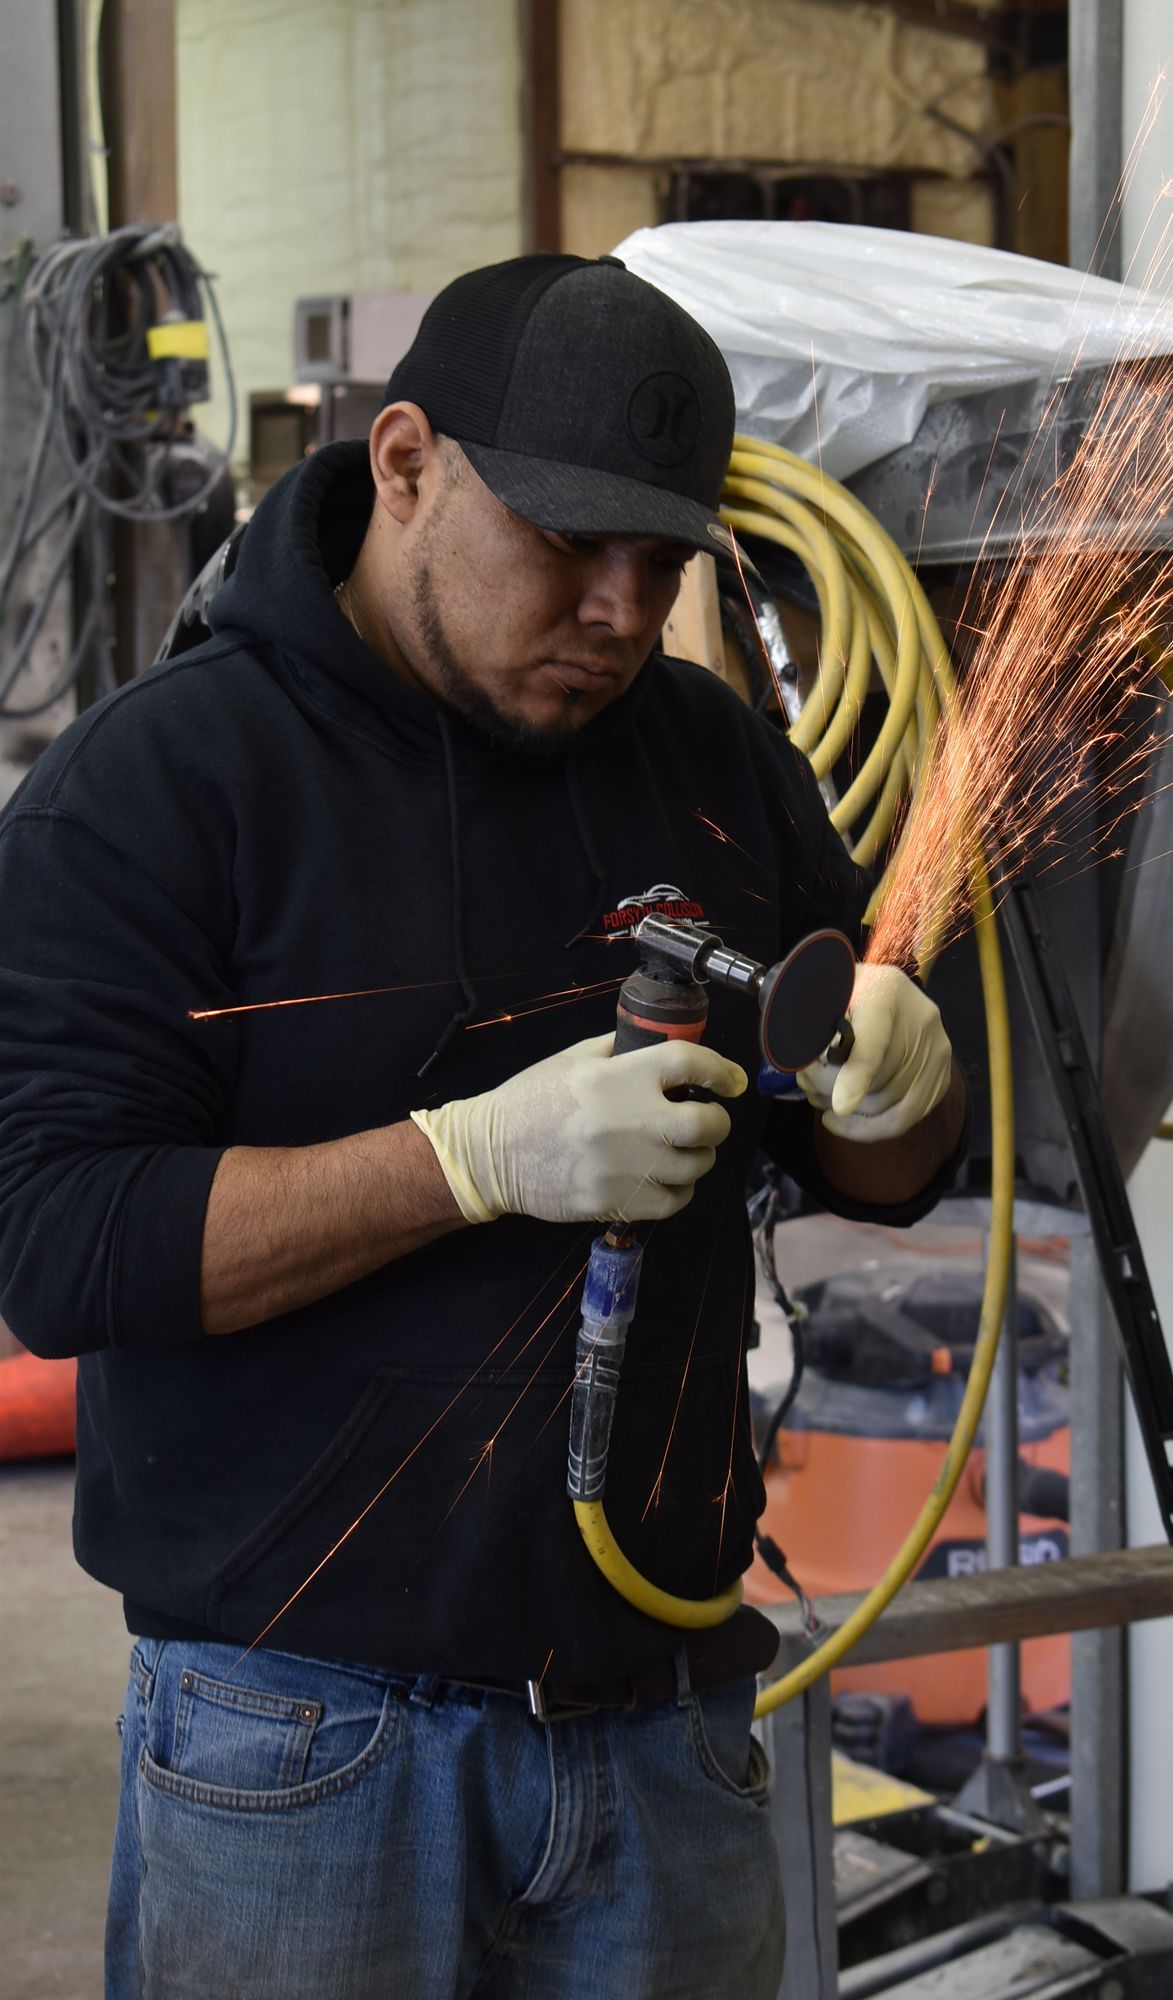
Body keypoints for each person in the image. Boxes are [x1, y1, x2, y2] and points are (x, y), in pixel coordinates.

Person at [0, 253, 966, 1999]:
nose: (619, 609)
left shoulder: (711, 763)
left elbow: (872, 1168)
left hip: (664, 1724)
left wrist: (900, 1087)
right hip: (302, 1747)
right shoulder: (162, 788)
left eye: (661, 560)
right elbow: (61, 1245)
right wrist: (467, 1163)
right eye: (567, 541)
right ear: (404, 464)